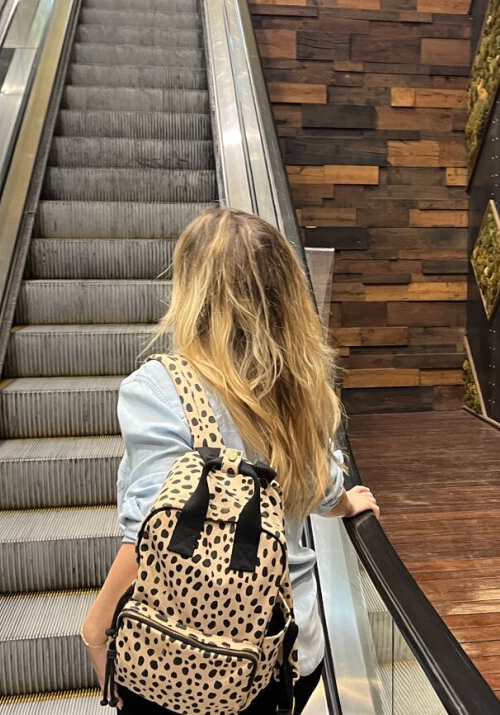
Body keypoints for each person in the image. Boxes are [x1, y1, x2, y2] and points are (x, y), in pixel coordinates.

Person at [81, 207, 380, 714]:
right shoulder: (303, 389)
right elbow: (317, 484)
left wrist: (98, 624)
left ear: (191, 290)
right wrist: (344, 502)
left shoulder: (159, 388)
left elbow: (153, 528)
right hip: (284, 646)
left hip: (183, 648)